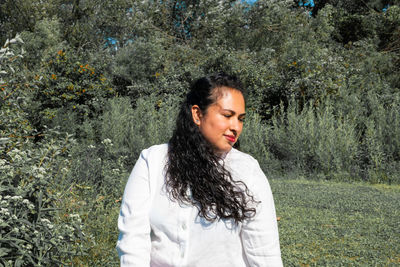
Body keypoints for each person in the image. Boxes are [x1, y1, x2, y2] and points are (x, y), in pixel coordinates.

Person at [116, 73, 283, 267]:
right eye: (227, 115)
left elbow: (265, 255)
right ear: (197, 114)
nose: (236, 127)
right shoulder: (152, 161)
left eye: (241, 119)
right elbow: (133, 240)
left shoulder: (248, 171)